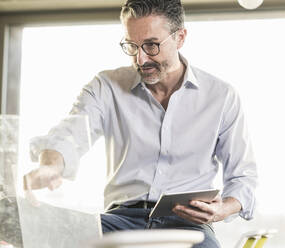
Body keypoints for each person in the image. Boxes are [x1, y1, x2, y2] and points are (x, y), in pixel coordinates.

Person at [24, 0, 257, 247]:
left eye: (151, 45)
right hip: (118, 219)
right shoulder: (106, 86)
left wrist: (223, 209)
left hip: (188, 224)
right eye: (131, 46)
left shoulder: (221, 96)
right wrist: (51, 166)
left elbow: (243, 177)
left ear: (180, 37)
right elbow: (69, 134)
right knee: (57, 237)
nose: (141, 58)